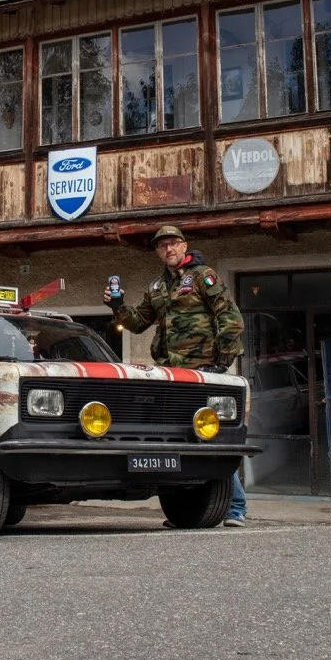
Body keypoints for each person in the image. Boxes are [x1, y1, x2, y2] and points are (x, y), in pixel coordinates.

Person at [103, 224, 249, 527]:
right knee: (177, 439)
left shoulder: (203, 277)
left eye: (173, 243)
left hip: (203, 370)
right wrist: (117, 305)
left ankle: (235, 507)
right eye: (162, 246)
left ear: (184, 246)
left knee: (213, 437)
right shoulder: (157, 287)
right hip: (171, 373)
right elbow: (139, 322)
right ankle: (186, 509)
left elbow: (230, 319)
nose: (168, 249)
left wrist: (221, 362)